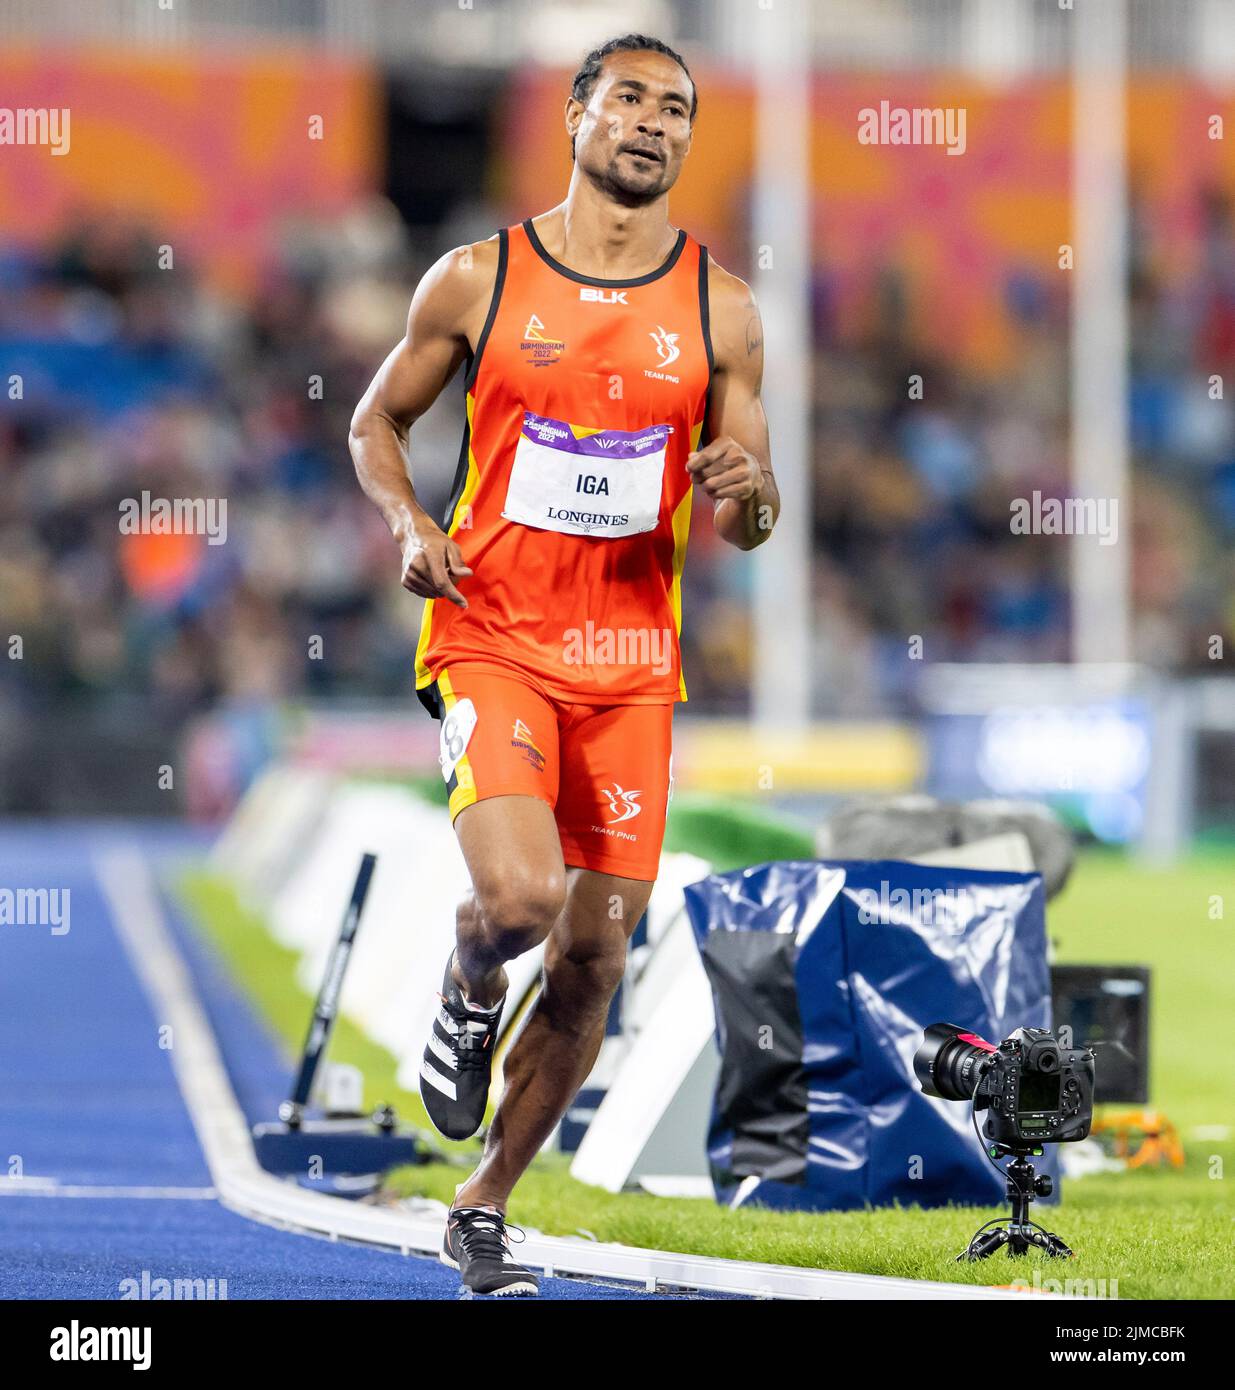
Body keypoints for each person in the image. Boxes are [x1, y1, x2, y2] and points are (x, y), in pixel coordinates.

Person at [349, 32, 778, 1296]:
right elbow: (377, 419)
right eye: (630, 98)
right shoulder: (475, 278)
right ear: (578, 116)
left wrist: (749, 491)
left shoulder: (723, 310)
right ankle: (468, 977)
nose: (653, 123)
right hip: (491, 634)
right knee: (526, 903)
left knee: (595, 953)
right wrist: (408, 524)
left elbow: (753, 516)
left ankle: (484, 1201)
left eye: (677, 109)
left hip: (632, 663)